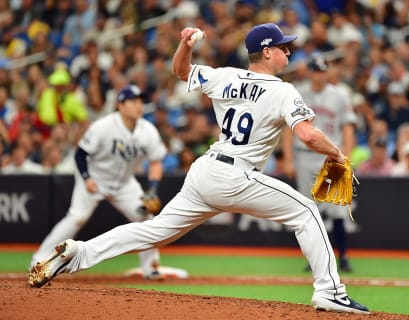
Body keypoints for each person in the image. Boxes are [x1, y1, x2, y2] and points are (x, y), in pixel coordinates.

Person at [28, 23, 369, 314]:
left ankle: (78, 253)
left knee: (155, 231)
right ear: (266, 52)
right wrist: (337, 152)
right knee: (307, 211)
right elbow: (308, 135)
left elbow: (180, 71)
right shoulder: (283, 91)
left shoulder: (224, 76)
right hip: (236, 175)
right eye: (283, 48)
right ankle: (330, 291)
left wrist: (184, 45)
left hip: (205, 171)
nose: (288, 53)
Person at [30, 84, 187, 280]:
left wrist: (153, 189)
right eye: (133, 101)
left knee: (146, 219)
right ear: (120, 105)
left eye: (140, 101)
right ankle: (38, 260)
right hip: (95, 178)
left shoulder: (148, 131)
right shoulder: (103, 126)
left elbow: (156, 162)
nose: (138, 105)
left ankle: (150, 268)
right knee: (77, 217)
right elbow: (81, 154)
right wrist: (87, 179)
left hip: (124, 183)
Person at [282, 55, 356, 272]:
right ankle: (315, 258)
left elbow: (348, 127)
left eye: (323, 71)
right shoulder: (298, 93)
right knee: (308, 209)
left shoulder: (340, 95)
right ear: (310, 72)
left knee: (338, 208)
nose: (319, 75)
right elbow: (288, 128)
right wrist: (287, 158)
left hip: (331, 156)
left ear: (328, 72)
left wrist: (346, 157)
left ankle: (342, 256)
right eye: (316, 70)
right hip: (304, 155)